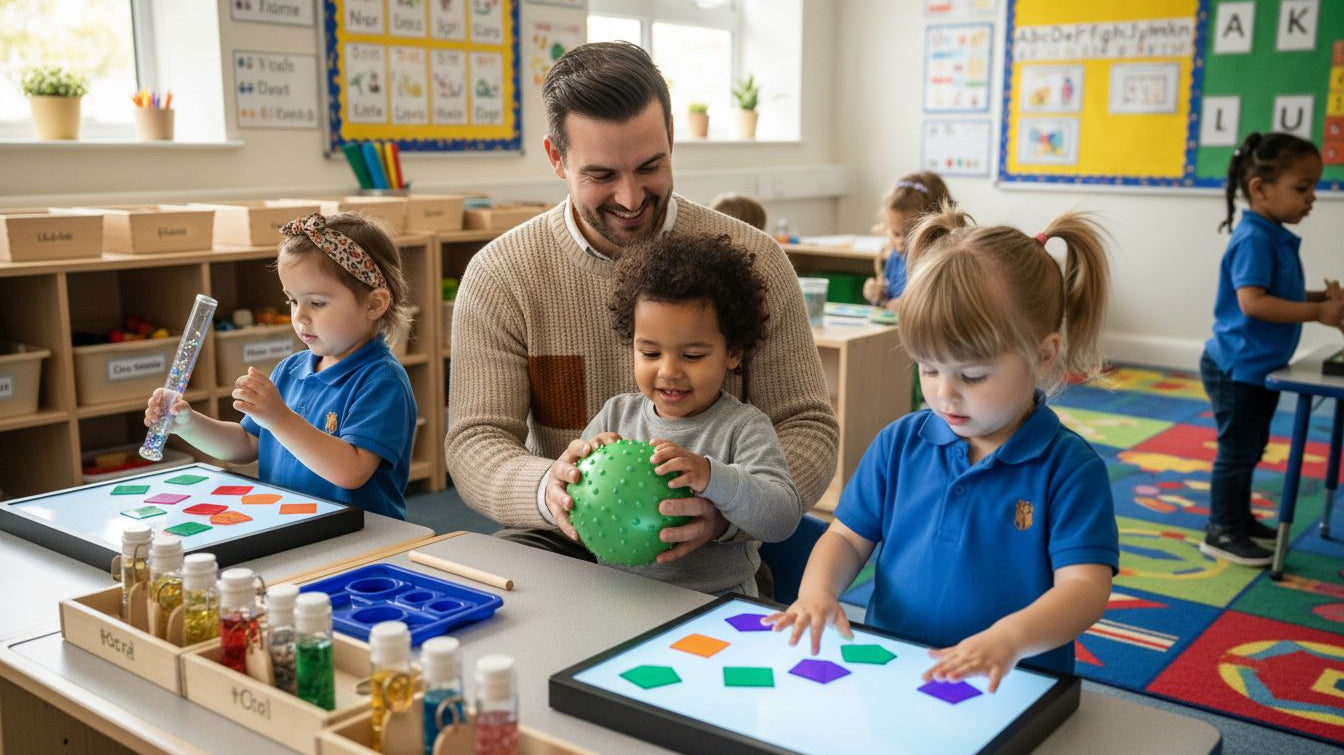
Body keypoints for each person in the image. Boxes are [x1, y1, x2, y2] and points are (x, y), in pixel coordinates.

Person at [443, 41, 837, 562]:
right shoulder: (501, 276)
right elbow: (476, 440)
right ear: (557, 158)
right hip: (565, 537)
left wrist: (722, 511)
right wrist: (551, 488)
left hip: (703, 552)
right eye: (602, 175)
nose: (630, 199)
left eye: (650, 166)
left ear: (671, 137)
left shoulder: (755, 260)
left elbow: (807, 427)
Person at [767, 203, 1118, 692]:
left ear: (1043, 355)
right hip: (894, 669)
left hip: (1011, 682)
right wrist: (817, 591)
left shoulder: (1069, 470)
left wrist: (1011, 639)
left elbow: (1085, 587)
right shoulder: (899, 444)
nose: (945, 394)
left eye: (971, 375)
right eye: (929, 368)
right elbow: (846, 538)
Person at [560, 233, 804, 595]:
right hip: (618, 594)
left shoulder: (743, 427)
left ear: (733, 352)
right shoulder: (615, 415)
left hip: (715, 601)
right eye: (650, 353)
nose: (669, 371)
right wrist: (571, 472)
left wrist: (711, 476)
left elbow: (782, 518)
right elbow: (575, 500)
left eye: (692, 356)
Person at [144, 212, 417, 519]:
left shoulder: (381, 380)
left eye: (317, 302)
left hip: (361, 533)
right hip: (290, 521)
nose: (299, 316)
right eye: (292, 301)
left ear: (374, 304)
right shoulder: (289, 370)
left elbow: (351, 471)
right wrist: (188, 425)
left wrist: (279, 418)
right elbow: (246, 444)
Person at [1200, 132, 1343, 566]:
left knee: (1250, 448)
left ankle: (1237, 519)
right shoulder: (1256, 239)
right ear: (1261, 188)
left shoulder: (1272, 235)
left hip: (1256, 366)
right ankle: (1221, 530)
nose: (1312, 197)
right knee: (1236, 451)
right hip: (1236, 367)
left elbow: (1279, 293)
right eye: (1303, 187)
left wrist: (1320, 298)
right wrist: (1317, 313)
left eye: (1314, 187)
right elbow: (1254, 303)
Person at [861, 171, 953, 311]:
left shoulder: (940, 264)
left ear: (935, 228)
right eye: (896, 233)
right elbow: (888, 300)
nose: (901, 242)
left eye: (910, 235)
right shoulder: (895, 257)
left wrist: (908, 307)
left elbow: (943, 309)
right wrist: (878, 294)